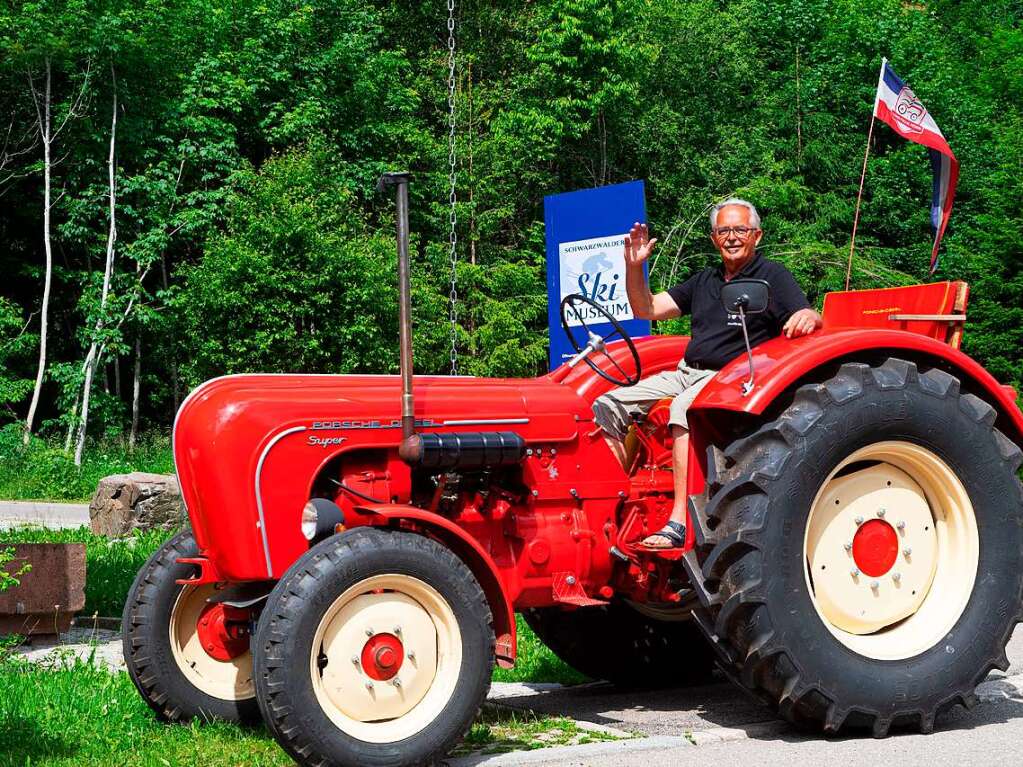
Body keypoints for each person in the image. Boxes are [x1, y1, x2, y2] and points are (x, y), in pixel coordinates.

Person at [592, 198, 822, 549]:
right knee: (609, 403)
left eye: (740, 230)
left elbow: (809, 314)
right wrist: (634, 268)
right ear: (714, 238)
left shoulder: (772, 275)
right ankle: (608, 510)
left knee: (681, 408)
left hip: (735, 378)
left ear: (756, 236)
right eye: (724, 230)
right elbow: (646, 307)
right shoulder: (705, 279)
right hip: (688, 371)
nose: (732, 237)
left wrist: (809, 316)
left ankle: (679, 522)